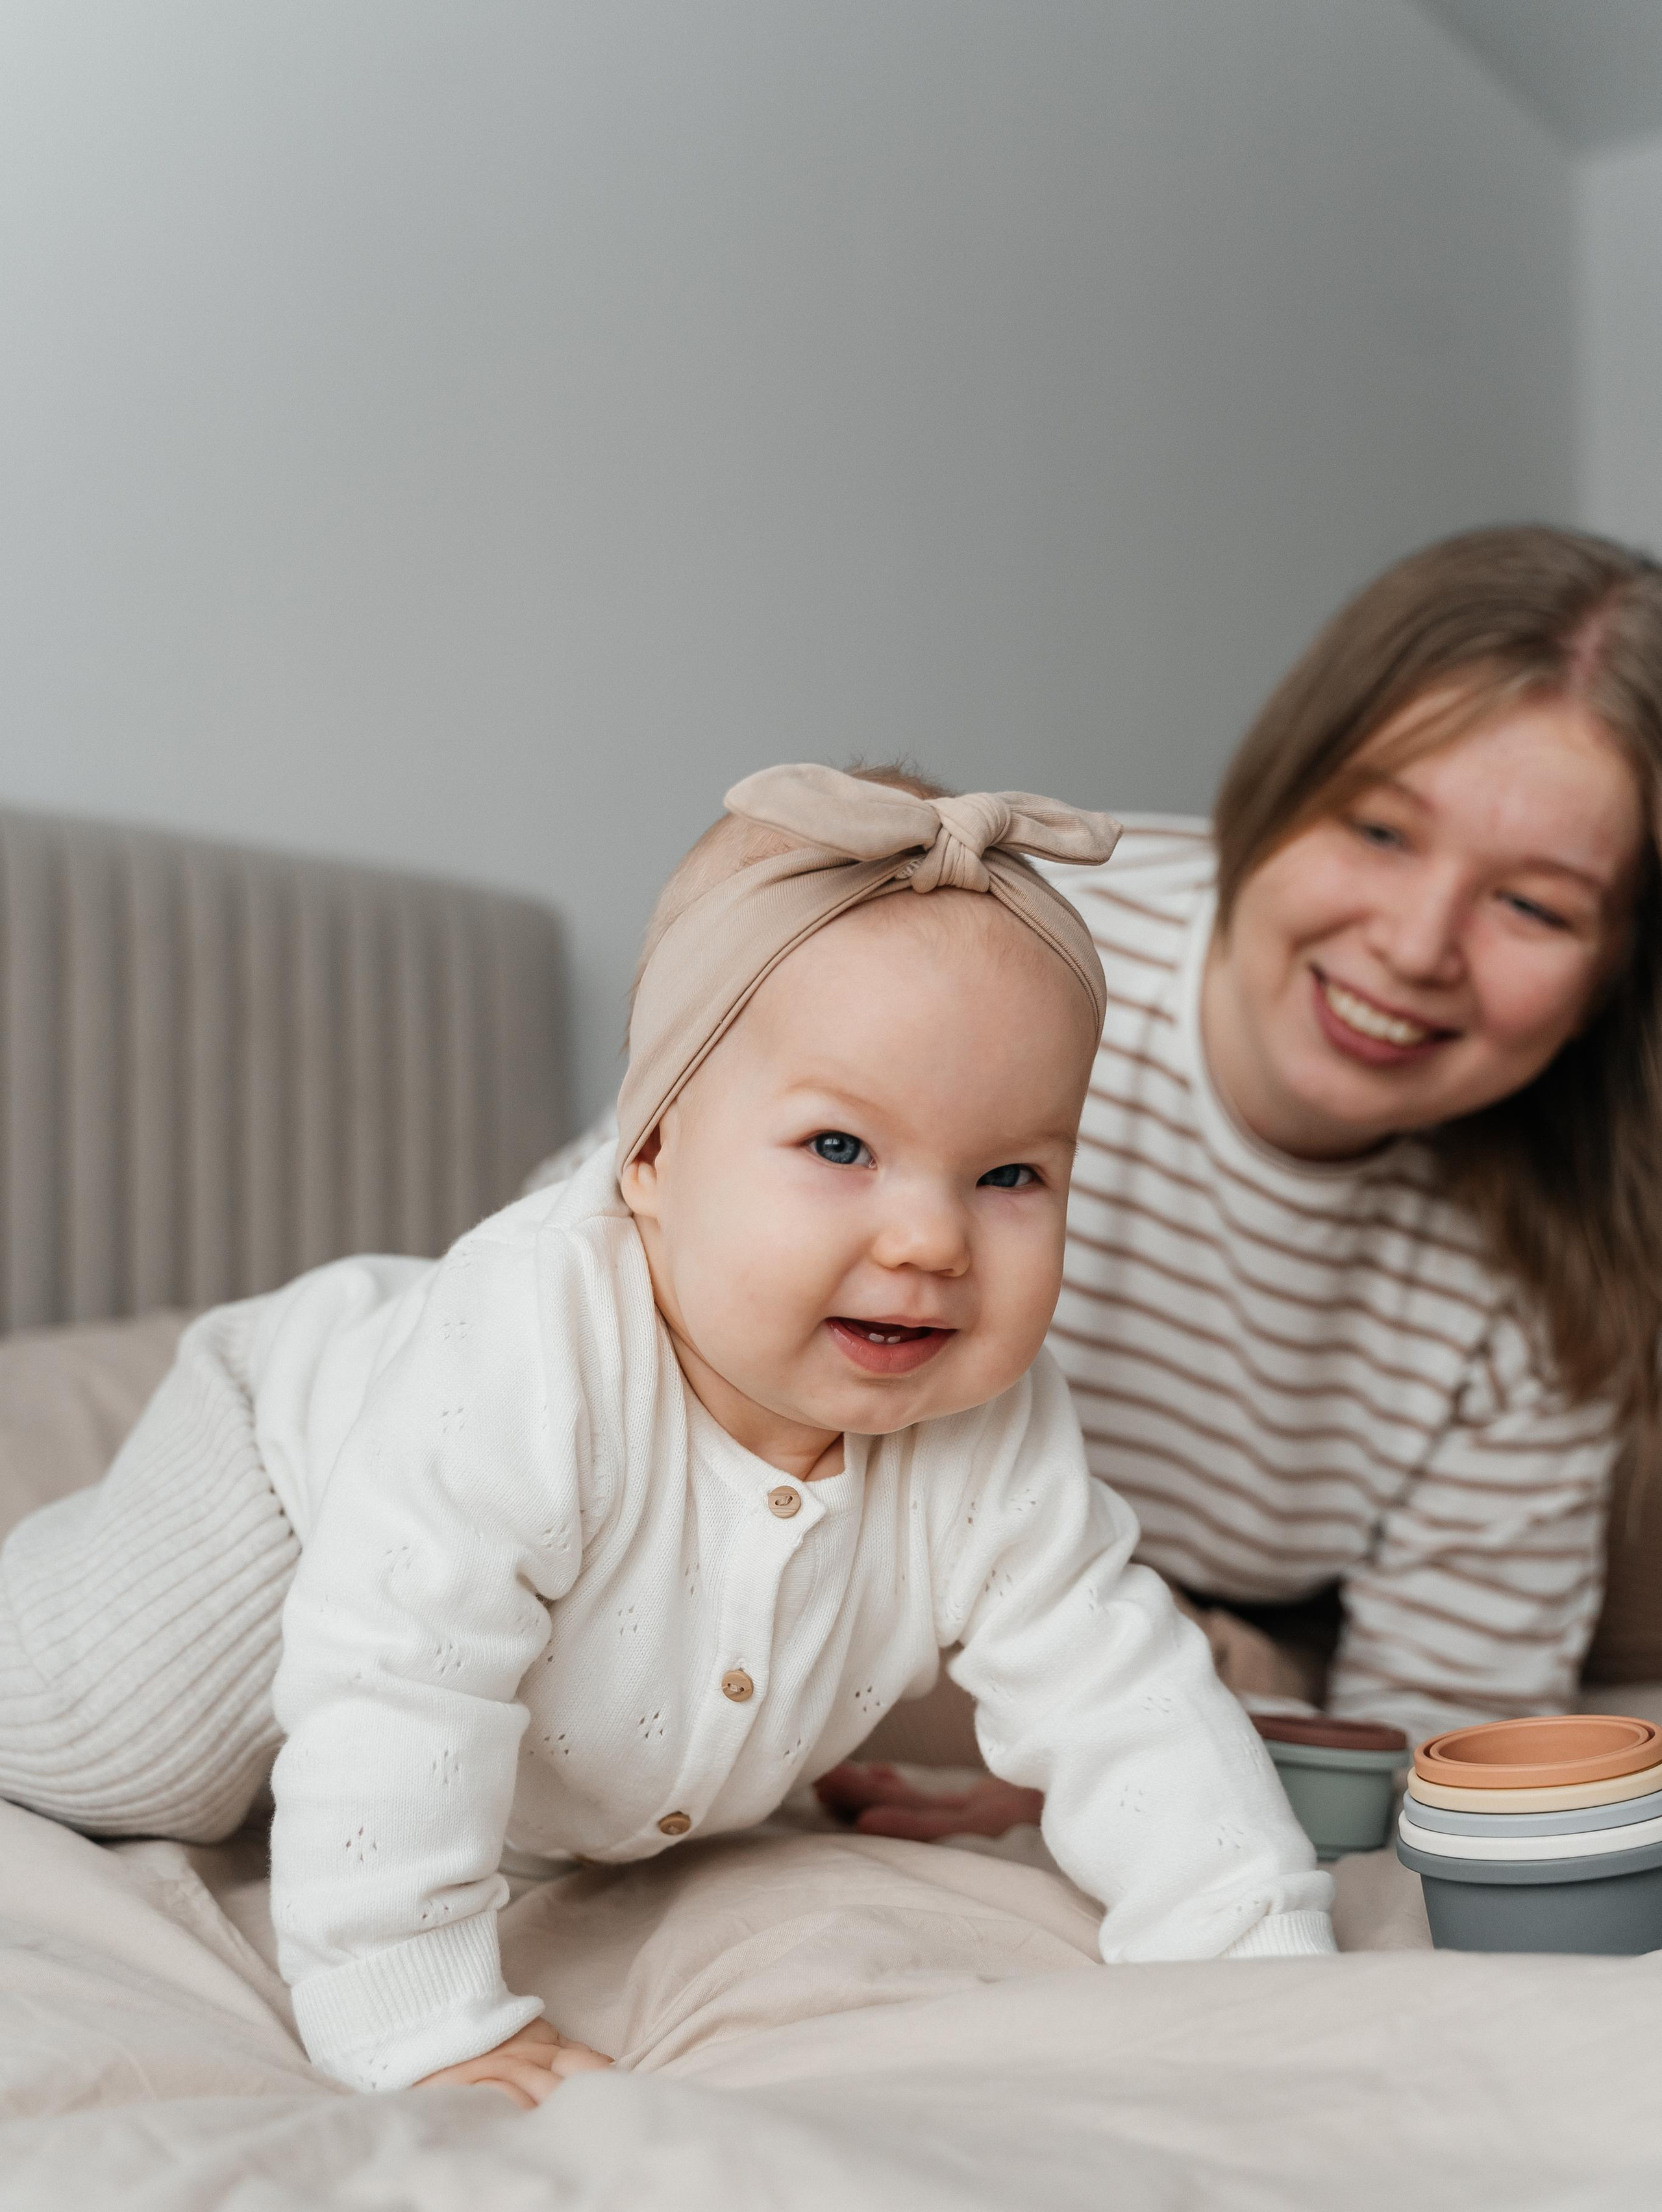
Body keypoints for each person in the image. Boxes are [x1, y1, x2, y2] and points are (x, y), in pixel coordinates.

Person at [0, 763, 1334, 2103]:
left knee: (452, 1786)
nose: (930, 1240)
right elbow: (403, 1677)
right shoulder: (531, 1345)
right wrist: (419, 2018)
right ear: (646, 1155)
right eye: (835, 1147)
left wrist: (1255, 1973)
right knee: (126, 1750)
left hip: (547, 1741)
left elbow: (1125, 1701)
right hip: (277, 1498)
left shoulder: (990, 1423)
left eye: (1008, 1176)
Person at [821, 524, 1662, 1850]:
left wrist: (1148, 1755)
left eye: (1535, 909)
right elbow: (631, 1284)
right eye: (1378, 829)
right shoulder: (1008, 959)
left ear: (1612, 975)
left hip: (1201, 1637)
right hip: (818, 1527)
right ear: (1278, 786)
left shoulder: (1557, 1251)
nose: (1413, 946)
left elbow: (1425, 1745)